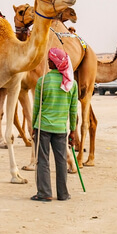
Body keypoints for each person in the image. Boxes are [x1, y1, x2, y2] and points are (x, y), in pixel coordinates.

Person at [31, 47, 79, 202]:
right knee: (61, 160)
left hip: (43, 127)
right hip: (61, 129)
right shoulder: (72, 84)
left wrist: (33, 126)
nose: (48, 62)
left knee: (43, 160)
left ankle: (44, 193)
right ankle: (63, 193)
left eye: (49, 60)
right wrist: (72, 130)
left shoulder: (42, 81)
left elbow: (36, 107)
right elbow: (73, 111)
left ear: (55, 62)